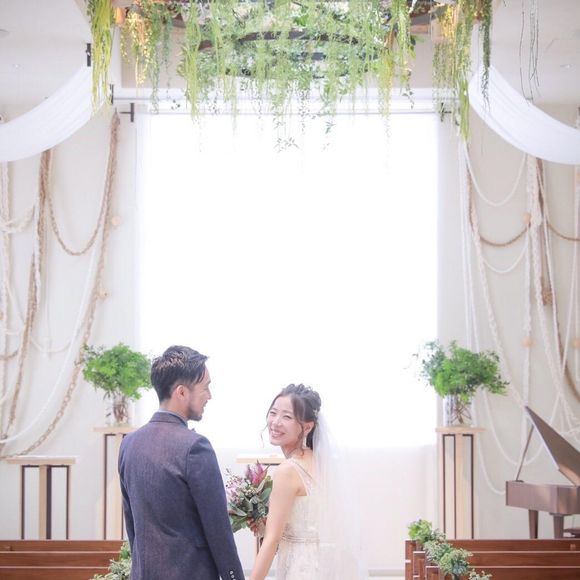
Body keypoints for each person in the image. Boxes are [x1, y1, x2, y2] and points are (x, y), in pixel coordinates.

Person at [118, 345, 245, 580]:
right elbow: (218, 530)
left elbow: (133, 525)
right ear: (182, 392)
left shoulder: (129, 444)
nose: (210, 396)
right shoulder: (195, 447)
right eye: (205, 387)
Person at [250, 384, 365, 580]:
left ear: (308, 427)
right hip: (325, 566)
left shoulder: (287, 470)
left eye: (287, 417)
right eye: (273, 413)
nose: (275, 422)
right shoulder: (322, 463)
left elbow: (272, 540)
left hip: (301, 569)